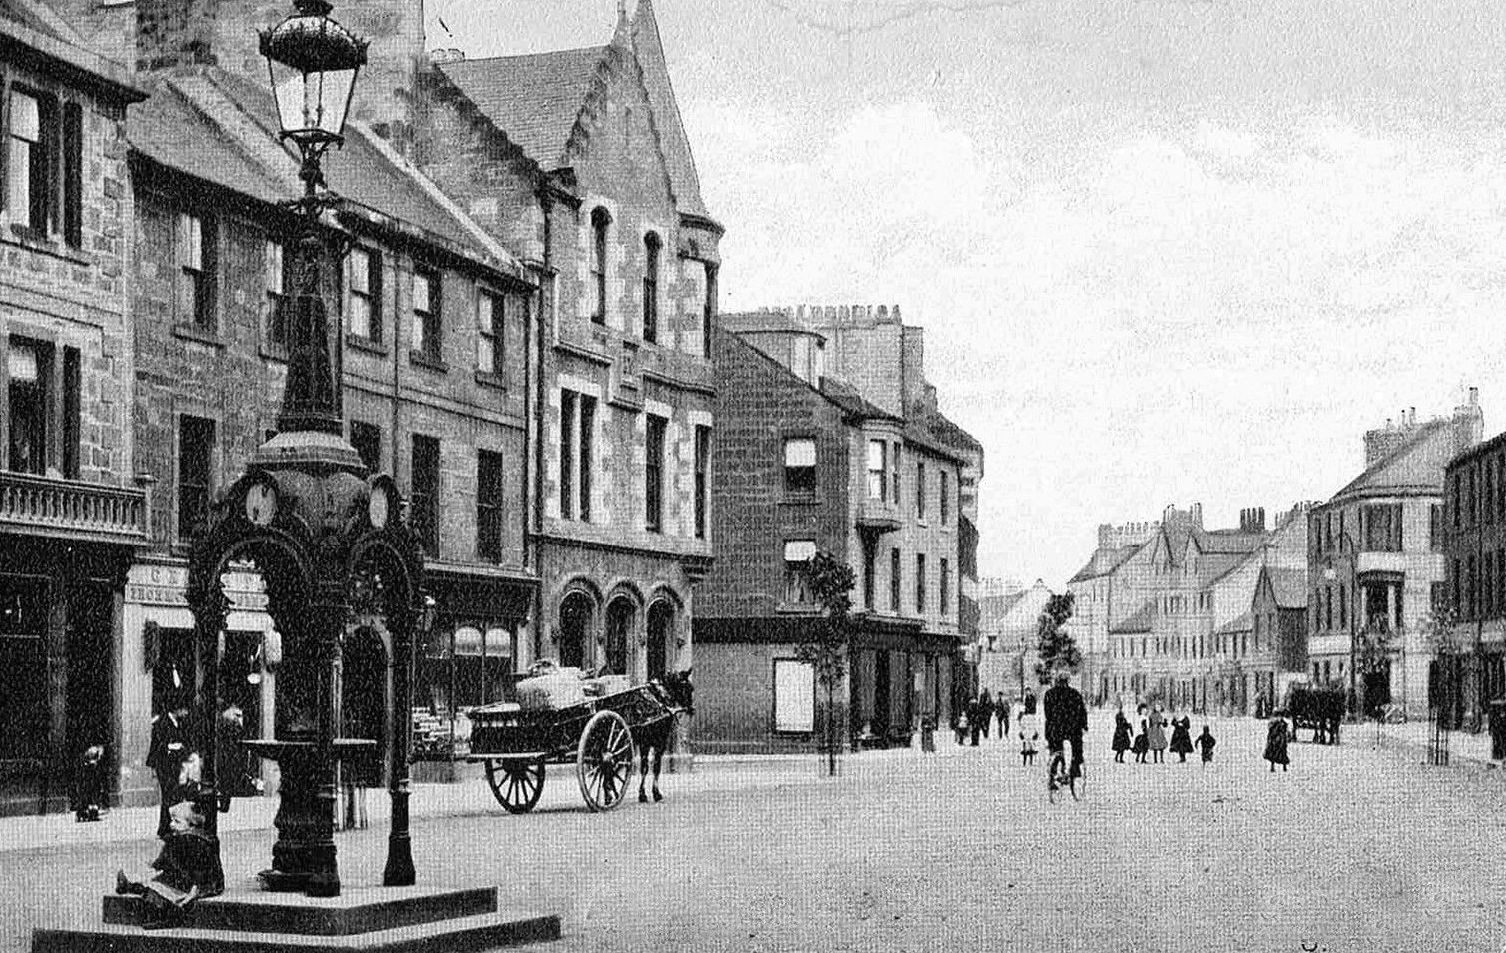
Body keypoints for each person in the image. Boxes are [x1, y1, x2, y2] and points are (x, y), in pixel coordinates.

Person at [147, 694, 192, 843]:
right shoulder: (162, 723)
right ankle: (165, 827)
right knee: (169, 795)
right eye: (183, 709)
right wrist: (171, 747)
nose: (185, 713)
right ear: (177, 709)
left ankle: (167, 827)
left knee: (172, 796)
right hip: (164, 765)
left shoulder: (177, 722)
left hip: (174, 765)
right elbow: (158, 745)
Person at [1043, 672, 1088, 780]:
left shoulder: (1049, 693)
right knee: (1077, 746)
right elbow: (1082, 711)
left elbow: (1047, 713)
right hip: (1071, 728)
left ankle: (1053, 774)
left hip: (1054, 728)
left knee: (1055, 749)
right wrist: (1084, 725)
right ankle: (1075, 767)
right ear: (1068, 681)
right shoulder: (1074, 693)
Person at [1017, 693, 1040, 766]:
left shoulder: (1031, 716)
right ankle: (1029, 758)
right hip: (1027, 732)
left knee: (1030, 743)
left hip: (1029, 731)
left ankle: (1030, 758)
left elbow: (1033, 726)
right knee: (1028, 742)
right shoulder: (1025, 716)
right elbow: (1022, 725)